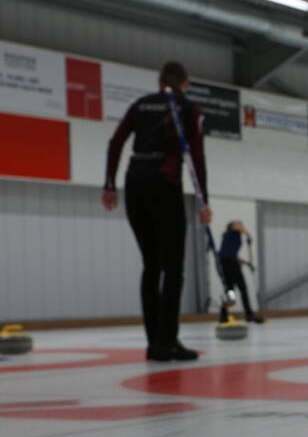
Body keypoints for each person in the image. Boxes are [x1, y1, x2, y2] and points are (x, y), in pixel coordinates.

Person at [102, 61, 211, 361]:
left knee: (151, 265)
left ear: (159, 82)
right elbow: (196, 156)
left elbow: (116, 142)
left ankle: (154, 343)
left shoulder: (140, 105)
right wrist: (203, 201)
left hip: (135, 182)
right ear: (186, 83)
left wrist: (109, 184)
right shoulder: (188, 108)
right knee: (173, 268)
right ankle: (167, 341)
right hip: (165, 182)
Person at [218, 221, 264, 324]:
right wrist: (246, 232)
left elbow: (231, 254)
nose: (240, 225)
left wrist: (245, 262)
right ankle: (226, 314)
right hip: (229, 265)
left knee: (238, 289)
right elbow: (226, 255)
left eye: (241, 224)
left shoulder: (235, 236)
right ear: (231, 227)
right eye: (237, 224)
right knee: (233, 290)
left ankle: (246, 314)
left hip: (231, 263)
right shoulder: (231, 234)